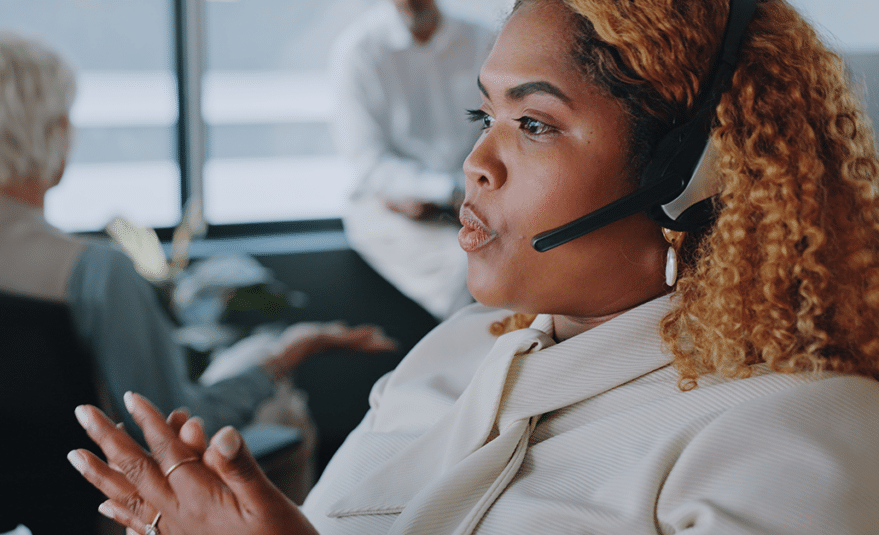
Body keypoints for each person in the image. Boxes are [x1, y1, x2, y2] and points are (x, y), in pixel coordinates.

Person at [68, 0, 879, 533]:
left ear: (691, 168)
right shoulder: (453, 353)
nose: (474, 162)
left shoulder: (797, 433)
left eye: (532, 123)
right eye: (481, 114)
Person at [0, 30, 396, 501]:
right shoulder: (95, 271)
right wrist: (289, 355)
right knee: (286, 413)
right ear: (54, 129)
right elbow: (173, 430)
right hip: (112, 499)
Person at [331, 0, 494, 320]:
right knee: (467, 272)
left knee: (518, 262)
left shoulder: (482, 39)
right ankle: (475, 363)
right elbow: (368, 160)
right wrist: (440, 192)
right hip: (388, 204)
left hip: (472, 192)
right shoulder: (360, 50)